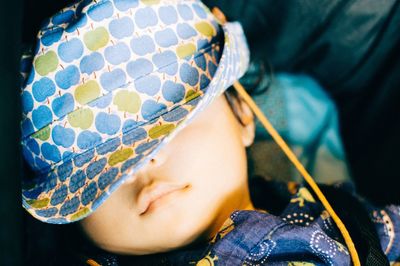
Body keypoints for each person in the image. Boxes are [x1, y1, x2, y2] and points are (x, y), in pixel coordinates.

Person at [20, 0, 399, 265]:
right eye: (100, 168)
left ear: (243, 114)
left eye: (172, 125)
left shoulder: (346, 220)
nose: (143, 162)